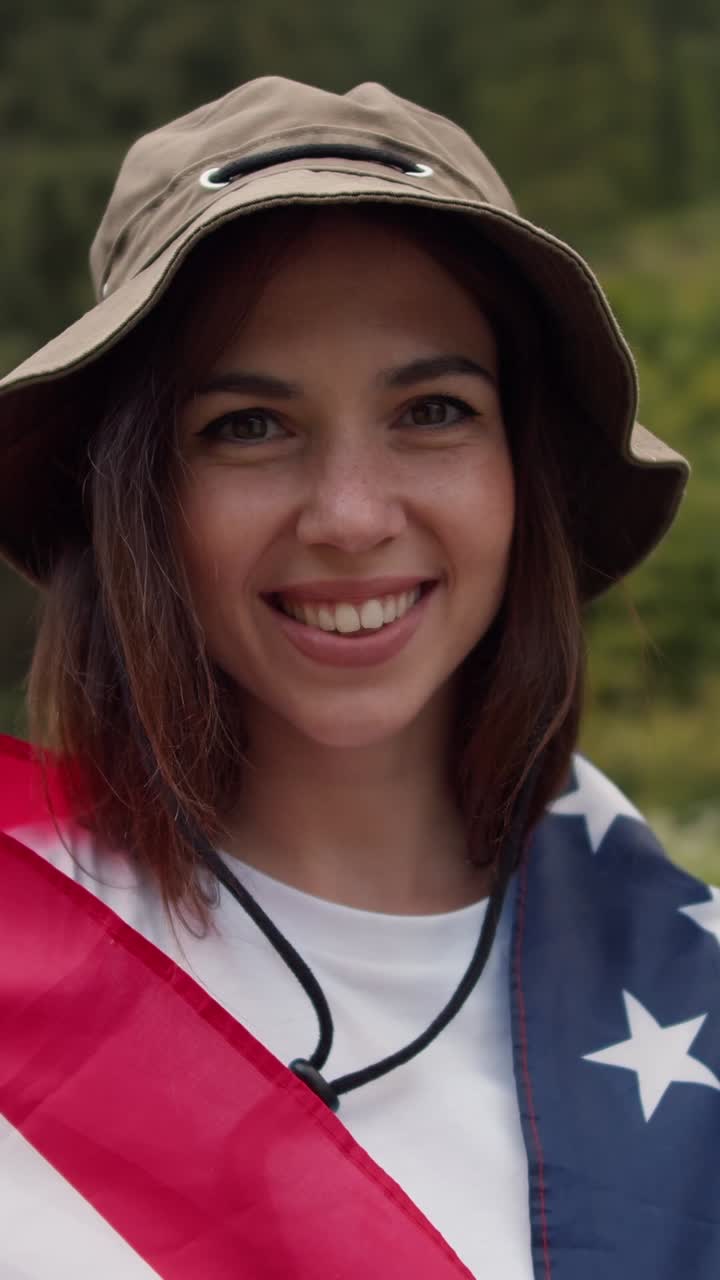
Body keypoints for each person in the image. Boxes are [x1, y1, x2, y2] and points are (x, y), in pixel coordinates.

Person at [0, 76, 717, 1280]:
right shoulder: (21, 939)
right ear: (134, 498)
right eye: (246, 425)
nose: (348, 515)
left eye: (432, 409)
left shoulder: (682, 984)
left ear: (519, 472)